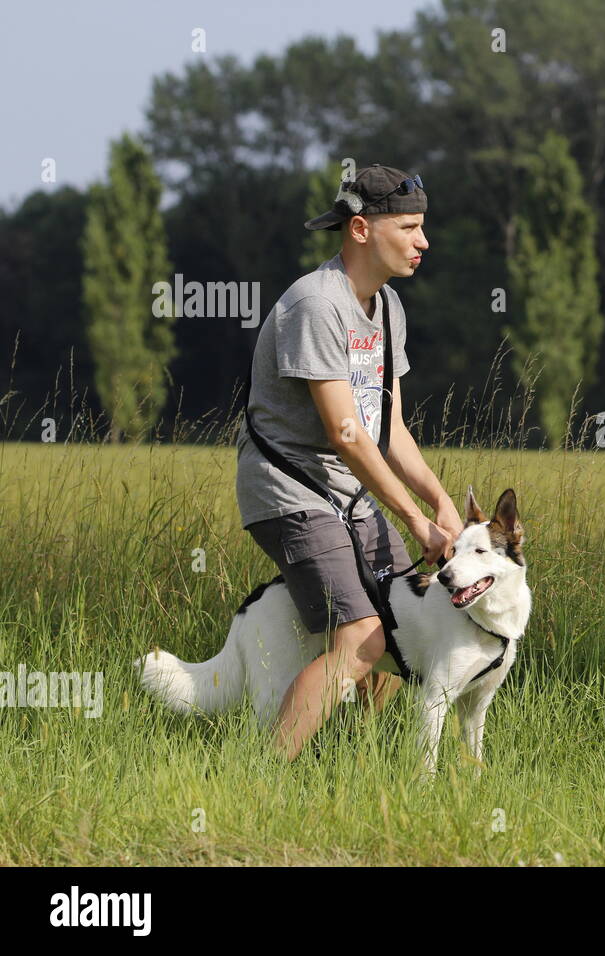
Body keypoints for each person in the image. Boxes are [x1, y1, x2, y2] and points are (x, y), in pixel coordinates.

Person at [234, 163, 464, 760]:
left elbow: (388, 428)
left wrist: (440, 501)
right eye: (410, 227)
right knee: (362, 634)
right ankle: (261, 778)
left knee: (398, 628)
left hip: (348, 492)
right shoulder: (315, 304)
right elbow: (344, 431)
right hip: (289, 491)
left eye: (423, 227)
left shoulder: (388, 309)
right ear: (360, 230)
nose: (424, 241)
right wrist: (417, 522)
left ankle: (353, 760)